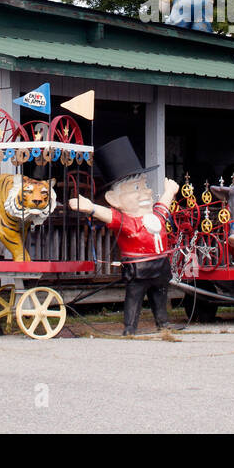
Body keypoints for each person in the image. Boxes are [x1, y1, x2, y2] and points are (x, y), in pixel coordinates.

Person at [69, 137, 178, 335]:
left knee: (160, 296)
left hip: (160, 265)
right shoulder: (126, 221)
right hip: (139, 268)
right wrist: (91, 208)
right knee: (134, 297)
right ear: (113, 199)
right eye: (136, 188)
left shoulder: (155, 216)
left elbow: (163, 207)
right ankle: (130, 327)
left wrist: (169, 191)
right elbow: (110, 215)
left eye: (145, 186)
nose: (146, 193)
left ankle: (163, 323)